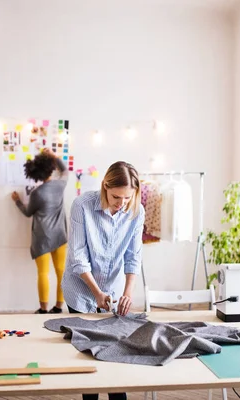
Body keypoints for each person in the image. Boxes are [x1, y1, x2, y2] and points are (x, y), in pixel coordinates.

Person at [61, 161, 144, 400]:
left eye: (128, 197)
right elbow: (78, 256)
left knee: (116, 351)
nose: (122, 204)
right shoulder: (82, 206)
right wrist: (97, 293)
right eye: (117, 196)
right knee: (89, 352)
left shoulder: (136, 211)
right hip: (81, 289)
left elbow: (133, 257)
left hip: (115, 290)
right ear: (105, 187)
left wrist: (128, 293)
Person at [12, 149, 68, 314]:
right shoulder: (60, 185)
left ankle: (43, 309)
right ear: (50, 168)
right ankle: (58, 306)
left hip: (42, 238)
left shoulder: (37, 193)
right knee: (61, 272)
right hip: (60, 236)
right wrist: (53, 156)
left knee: (43, 273)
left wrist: (17, 201)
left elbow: (28, 212)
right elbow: (64, 170)